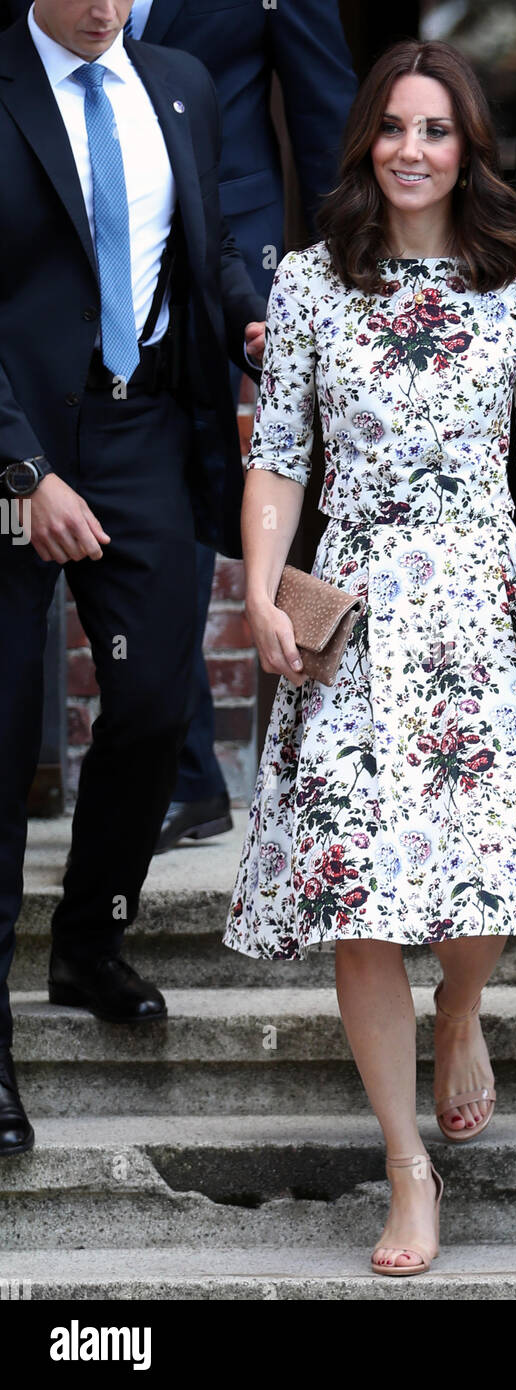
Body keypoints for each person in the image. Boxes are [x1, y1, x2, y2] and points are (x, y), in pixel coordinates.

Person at [223, 39, 516, 1277]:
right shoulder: (308, 282)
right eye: (393, 127)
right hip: (348, 618)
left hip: (478, 612)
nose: (412, 150)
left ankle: (459, 1007)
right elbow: (280, 454)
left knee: (481, 872)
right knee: (360, 900)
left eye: (437, 130)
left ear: (470, 148)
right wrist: (257, 590)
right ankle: (406, 1164)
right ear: (366, 140)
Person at [0, 0, 266, 1156]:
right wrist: (20, 468)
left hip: (142, 434)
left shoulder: (179, 86)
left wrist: (257, 325)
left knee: (156, 705)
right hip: (16, 452)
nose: (106, 5)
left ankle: (91, 938)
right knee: (3, 738)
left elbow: (194, 260)